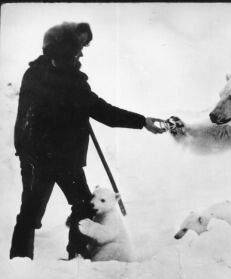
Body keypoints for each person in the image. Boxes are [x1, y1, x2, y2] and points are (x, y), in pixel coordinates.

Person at [10, 22, 166, 260]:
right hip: (44, 160)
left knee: (76, 207)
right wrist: (142, 121)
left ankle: (75, 259)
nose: (81, 53)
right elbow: (104, 112)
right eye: (77, 49)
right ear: (63, 49)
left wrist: (141, 120)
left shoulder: (39, 73)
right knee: (42, 213)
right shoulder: (68, 80)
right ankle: (27, 267)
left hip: (52, 159)